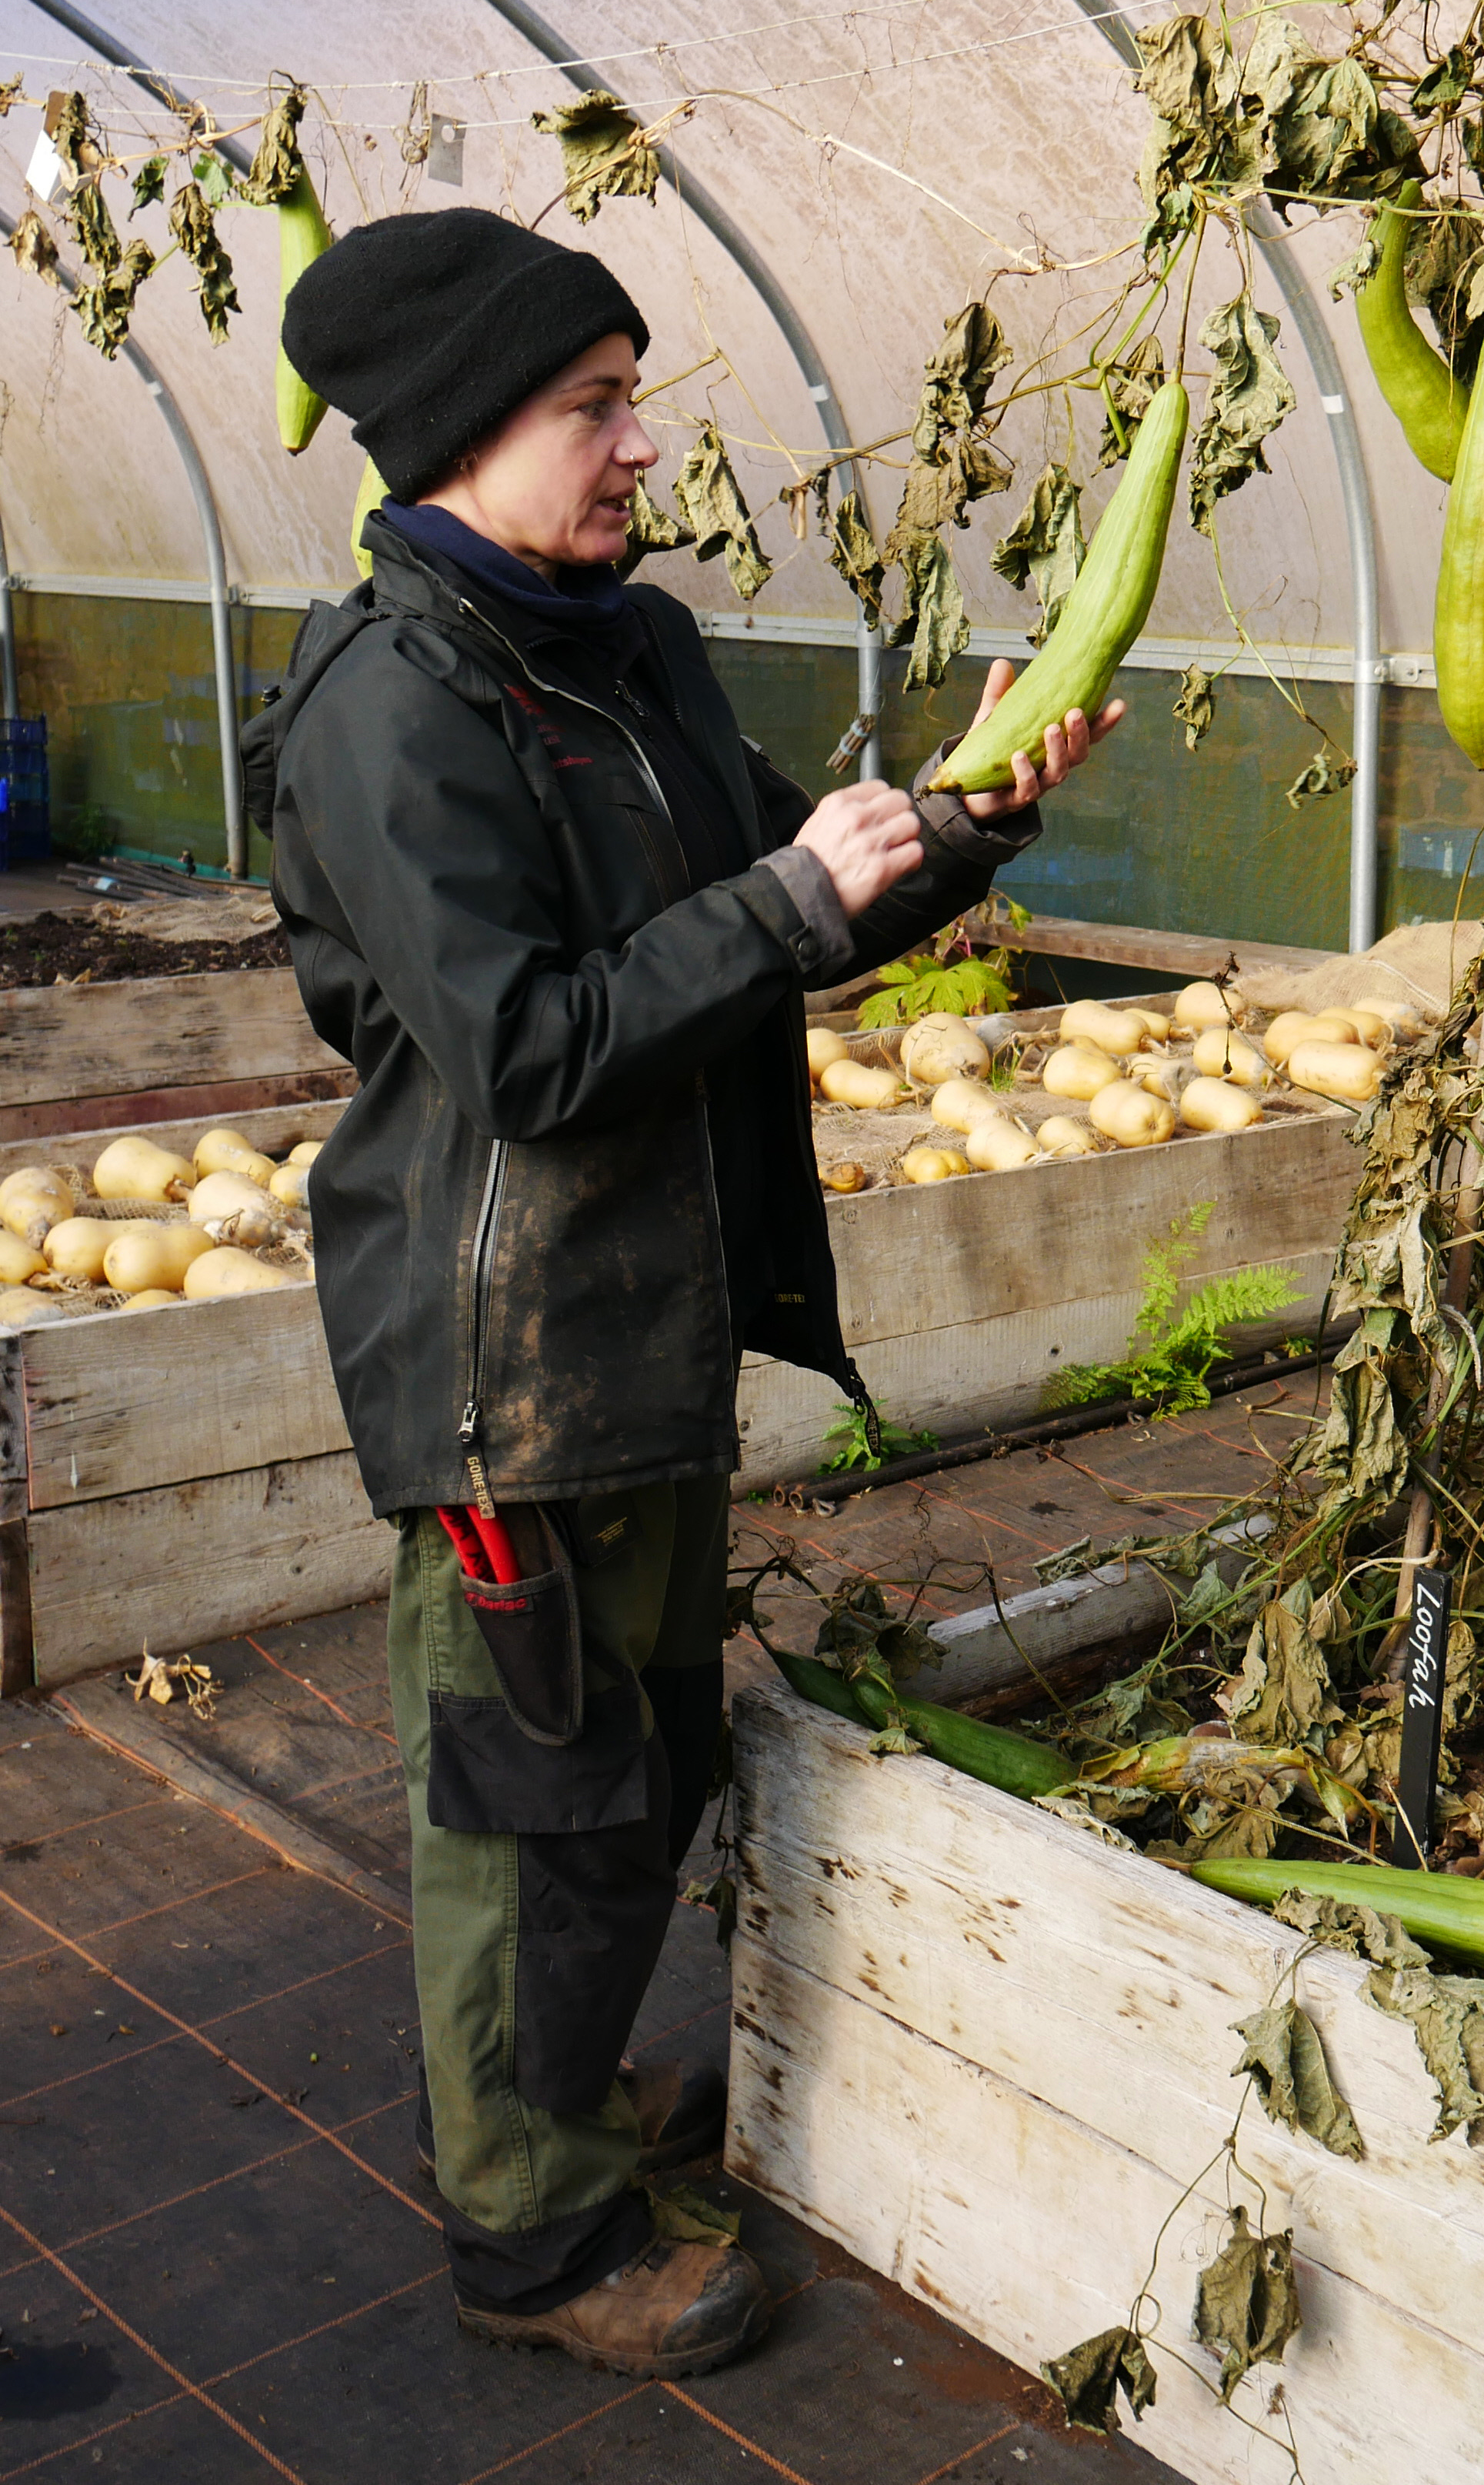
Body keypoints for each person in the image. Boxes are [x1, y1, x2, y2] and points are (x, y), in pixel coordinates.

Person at [245, 209, 1120, 2380]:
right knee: (524, 1795)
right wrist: (778, 892)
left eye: (635, 393)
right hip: (500, 1360)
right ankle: (524, 2233)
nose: (641, 445)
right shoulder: (389, 711)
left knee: (630, 1764)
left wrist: (962, 825)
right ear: (460, 439)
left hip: (634, 1322)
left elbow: (777, 921)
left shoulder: (621, 658)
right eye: (593, 405)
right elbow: (532, 1043)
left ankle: (553, 2108)